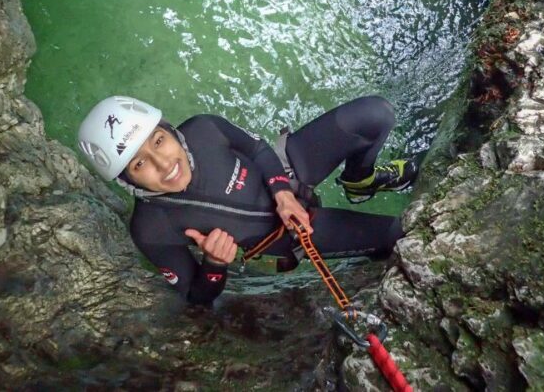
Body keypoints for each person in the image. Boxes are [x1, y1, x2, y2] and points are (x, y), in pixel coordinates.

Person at [77, 95, 418, 305]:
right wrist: (214, 264)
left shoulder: (204, 129)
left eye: (158, 141)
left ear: (170, 130)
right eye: (139, 164)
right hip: (290, 236)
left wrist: (282, 190)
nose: (163, 163)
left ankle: (359, 181)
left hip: (287, 170)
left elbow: (255, 149)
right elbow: (197, 298)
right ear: (128, 182)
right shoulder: (151, 227)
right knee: (401, 237)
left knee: (377, 113)